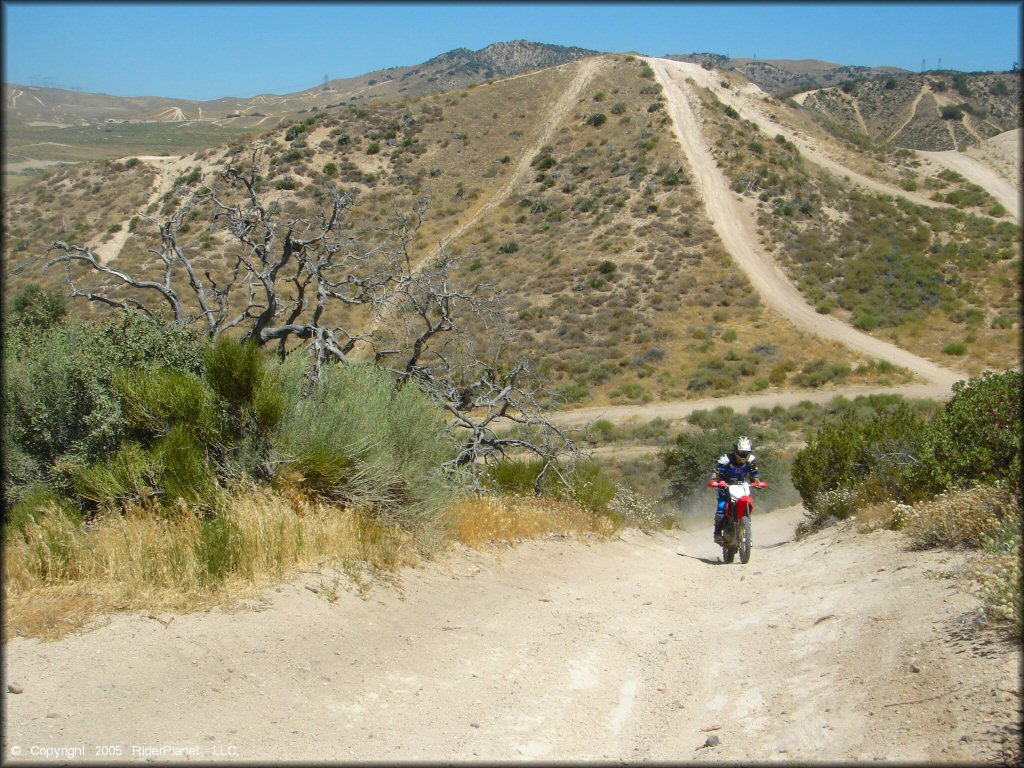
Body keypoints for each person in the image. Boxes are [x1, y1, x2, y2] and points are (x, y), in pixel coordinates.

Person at [711, 436, 760, 544]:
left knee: (746, 500)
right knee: (722, 506)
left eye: (745, 452)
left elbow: (754, 474)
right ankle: (717, 534)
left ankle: (745, 527)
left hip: (741, 485)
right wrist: (715, 481)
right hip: (725, 485)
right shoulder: (726, 459)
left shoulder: (751, 460)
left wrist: (757, 482)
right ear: (736, 450)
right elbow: (717, 471)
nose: (743, 454)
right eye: (741, 451)